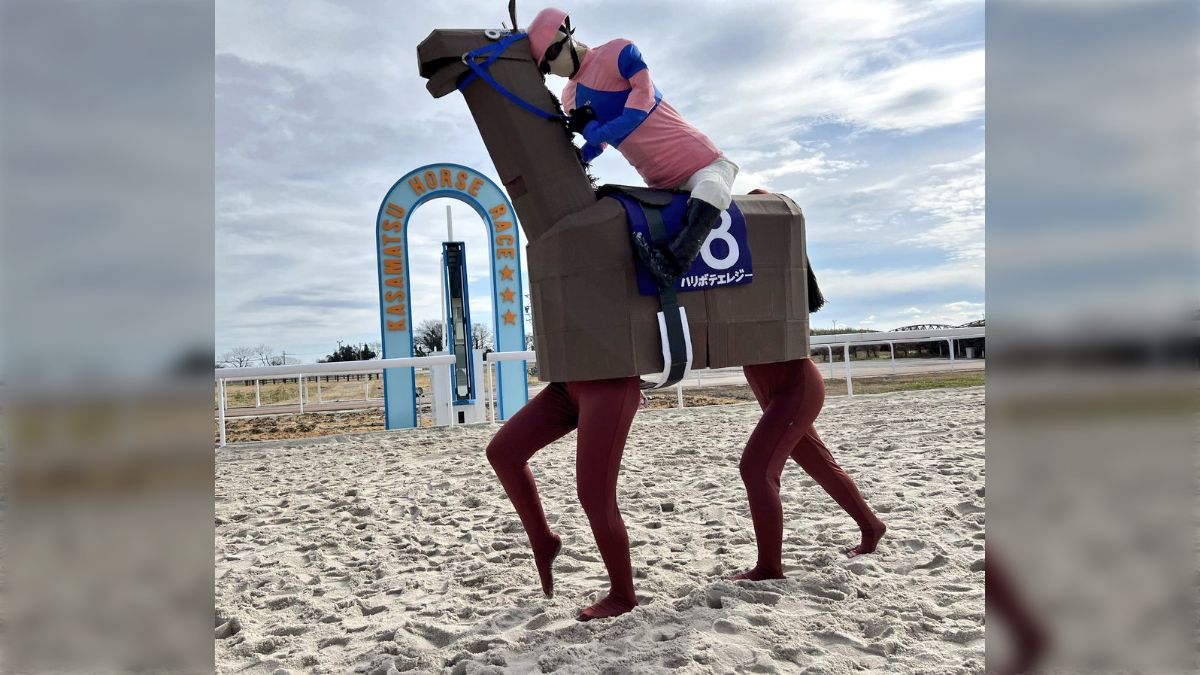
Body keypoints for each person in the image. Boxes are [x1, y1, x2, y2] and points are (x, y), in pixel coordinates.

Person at [526, 7, 738, 290]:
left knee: (712, 189)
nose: (552, 70)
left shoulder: (620, 51)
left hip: (704, 164)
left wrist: (591, 130)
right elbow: (600, 143)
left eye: (550, 57)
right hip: (659, 185)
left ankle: (674, 264)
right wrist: (579, 156)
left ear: (565, 36)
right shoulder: (570, 97)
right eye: (544, 69)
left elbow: (641, 105)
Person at [485, 378, 642, 621]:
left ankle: (623, 595)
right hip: (566, 383)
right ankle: (543, 542)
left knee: (594, 494)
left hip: (610, 382)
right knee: (503, 452)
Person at [735, 358, 887, 581]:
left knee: (756, 470)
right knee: (820, 465)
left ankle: (769, 569)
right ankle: (872, 526)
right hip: (775, 389)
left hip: (796, 386)